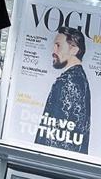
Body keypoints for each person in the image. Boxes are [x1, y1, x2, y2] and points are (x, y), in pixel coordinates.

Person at [34, 26, 91, 154]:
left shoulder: (67, 81)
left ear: (74, 50)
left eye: (58, 45)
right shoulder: (80, 79)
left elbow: (55, 133)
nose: (53, 51)